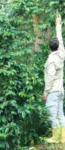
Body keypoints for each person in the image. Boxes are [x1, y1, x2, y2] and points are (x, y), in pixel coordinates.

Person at [43, 15, 65, 143]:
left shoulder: (51, 60)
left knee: (52, 113)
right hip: (61, 90)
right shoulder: (62, 53)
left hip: (53, 91)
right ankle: (63, 138)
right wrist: (58, 24)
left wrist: (46, 92)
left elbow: (50, 78)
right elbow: (61, 40)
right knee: (60, 113)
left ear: (49, 47)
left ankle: (56, 137)